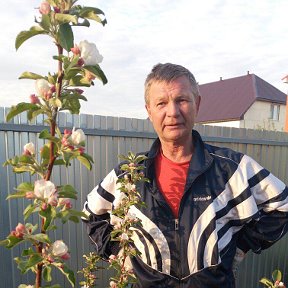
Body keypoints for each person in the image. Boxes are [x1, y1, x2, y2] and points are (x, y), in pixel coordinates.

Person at [82, 63, 288, 287]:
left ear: (196, 104)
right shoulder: (129, 175)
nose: (172, 112)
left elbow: (283, 205)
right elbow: (92, 215)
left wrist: (240, 245)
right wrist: (122, 255)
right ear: (149, 110)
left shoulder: (232, 169)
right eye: (161, 103)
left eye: (182, 100)